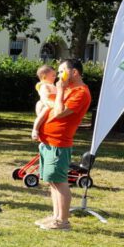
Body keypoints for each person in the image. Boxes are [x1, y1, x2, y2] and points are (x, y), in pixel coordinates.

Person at [34, 58, 93, 231]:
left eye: (61, 71)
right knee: (52, 180)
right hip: (48, 141)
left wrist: (59, 91)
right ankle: (56, 216)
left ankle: (63, 221)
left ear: (74, 72)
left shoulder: (81, 93)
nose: (59, 75)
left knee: (60, 181)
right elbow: (47, 101)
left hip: (59, 142)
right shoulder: (67, 89)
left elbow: (59, 112)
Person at [30, 64, 57, 141]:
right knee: (43, 114)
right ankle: (35, 129)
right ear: (44, 77)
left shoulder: (52, 85)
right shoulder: (44, 86)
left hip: (51, 104)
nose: (55, 77)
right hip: (45, 104)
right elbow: (46, 96)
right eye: (53, 75)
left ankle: (44, 132)